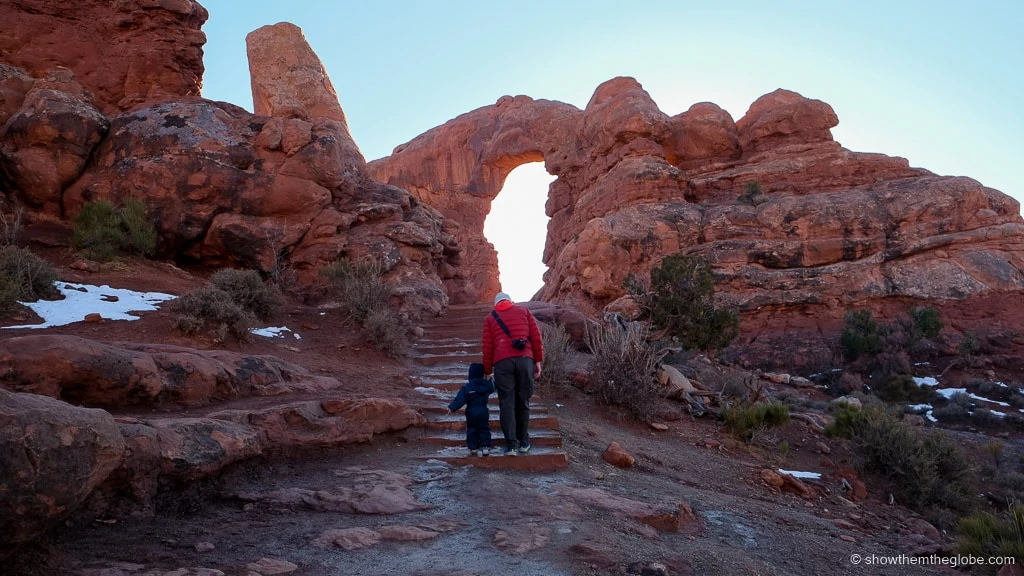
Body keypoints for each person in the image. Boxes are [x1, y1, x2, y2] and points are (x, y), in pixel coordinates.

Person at [482, 292, 544, 456]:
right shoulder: (524, 311)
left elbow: (488, 347)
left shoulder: (491, 318)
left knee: (507, 404)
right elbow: (536, 337)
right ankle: (524, 442)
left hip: (502, 363)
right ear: (510, 301)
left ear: (496, 304)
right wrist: (537, 361)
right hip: (525, 360)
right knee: (523, 401)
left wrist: (488, 370)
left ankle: (511, 446)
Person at [446, 362, 495, 456]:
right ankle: (485, 447)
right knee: (484, 428)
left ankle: (473, 447)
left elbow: (460, 400)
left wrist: (452, 407)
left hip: (471, 411)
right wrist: (490, 379)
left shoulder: (467, 387)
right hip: (483, 410)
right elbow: (493, 387)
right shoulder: (486, 385)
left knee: (472, 428)